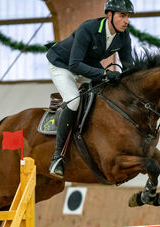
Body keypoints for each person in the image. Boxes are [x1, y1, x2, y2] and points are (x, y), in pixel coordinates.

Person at [46, 0, 135, 178]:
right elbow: (75, 64)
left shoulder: (124, 36)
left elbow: (129, 67)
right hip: (62, 64)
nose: (126, 21)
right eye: (122, 16)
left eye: (128, 16)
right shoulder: (88, 28)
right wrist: (104, 73)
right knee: (74, 101)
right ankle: (58, 156)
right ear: (109, 15)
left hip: (86, 65)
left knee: (108, 92)